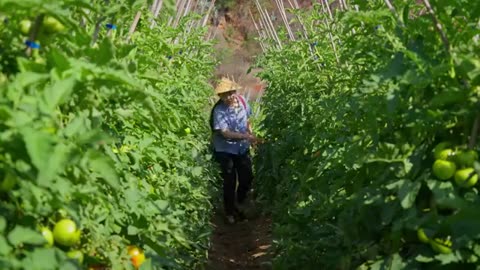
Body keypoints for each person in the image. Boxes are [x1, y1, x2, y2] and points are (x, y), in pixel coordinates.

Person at [210, 77, 261, 224]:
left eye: (230, 93)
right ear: (220, 96)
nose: (228, 97)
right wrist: (245, 136)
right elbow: (224, 133)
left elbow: (247, 120)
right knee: (229, 181)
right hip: (224, 150)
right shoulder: (219, 111)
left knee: (247, 177)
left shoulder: (243, 102)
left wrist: (250, 135)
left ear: (234, 91)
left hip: (241, 147)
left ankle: (240, 203)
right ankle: (229, 213)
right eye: (224, 95)